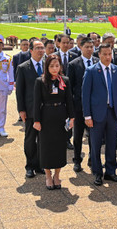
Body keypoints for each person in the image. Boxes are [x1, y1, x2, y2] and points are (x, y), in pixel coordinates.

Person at [82, 44, 117, 186]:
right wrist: (87, 115)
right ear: (99, 55)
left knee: (112, 144)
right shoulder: (91, 71)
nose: (108, 57)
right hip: (96, 114)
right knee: (95, 145)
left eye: (109, 54)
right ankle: (97, 172)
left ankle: (111, 171)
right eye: (105, 54)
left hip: (113, 112)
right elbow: (85, 95)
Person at [33, 54, 75, 190]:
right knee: (46, 147)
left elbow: (69, 100)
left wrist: (72, 118)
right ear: (47, 67)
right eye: (52, 66)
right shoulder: (40, 81)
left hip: (61, 116)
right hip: (46, 116)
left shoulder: (65, 80)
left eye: (57, 66)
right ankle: (48, 175)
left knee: (59, 147)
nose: (55, 68)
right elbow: (36, 102)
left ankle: (57, 175)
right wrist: (37, 120)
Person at [15, 39, 46, 177]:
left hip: (46, 110)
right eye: (37, 48)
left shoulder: (48, 66)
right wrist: (21, 110)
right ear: (31, 51)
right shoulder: (23, 68)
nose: (41, 50)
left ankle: (40, 164)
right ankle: (30, 165)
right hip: (30, 110)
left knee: (43, 139)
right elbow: (19, 92)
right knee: (30, 138)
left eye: (42, 48)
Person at [67, 37, 95, 172]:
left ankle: (92, 158)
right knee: (78, 135)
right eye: (87, 47)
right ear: (81, 48)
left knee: (94, 135)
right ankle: (77, 160)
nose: (90, 49)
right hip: (79, 107)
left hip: (95, 106)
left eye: (91, 46)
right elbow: (69, 87)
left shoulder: (97, 62)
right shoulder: (73, 64)